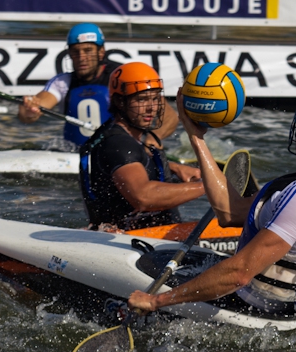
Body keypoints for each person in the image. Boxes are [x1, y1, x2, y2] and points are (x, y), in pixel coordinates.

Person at [128, 90, 296, 315]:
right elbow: (230, 213)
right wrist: (195, 137)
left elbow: (239, 273)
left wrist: (156, 301)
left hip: (261, 310)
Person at [79, 62, 206, 230]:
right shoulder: (118, 144)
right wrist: (207, 186)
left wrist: (173, 167)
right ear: (120, 102)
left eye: (155, 99)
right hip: (128, 242)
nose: (151, 108)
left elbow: (130, 166)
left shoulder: (127, 137)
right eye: (142, 99)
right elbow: (143, 196)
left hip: (150, 235)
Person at [18, 23, 178, 148]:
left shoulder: (123, 77)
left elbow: (170, 117)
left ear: (101, 52)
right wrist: (30, 110)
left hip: (123, 152)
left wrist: (153, 138)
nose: (82, 57)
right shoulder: (62, 82)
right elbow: (33, 111)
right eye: (76, 52)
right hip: (76, 153)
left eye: (88, 51)